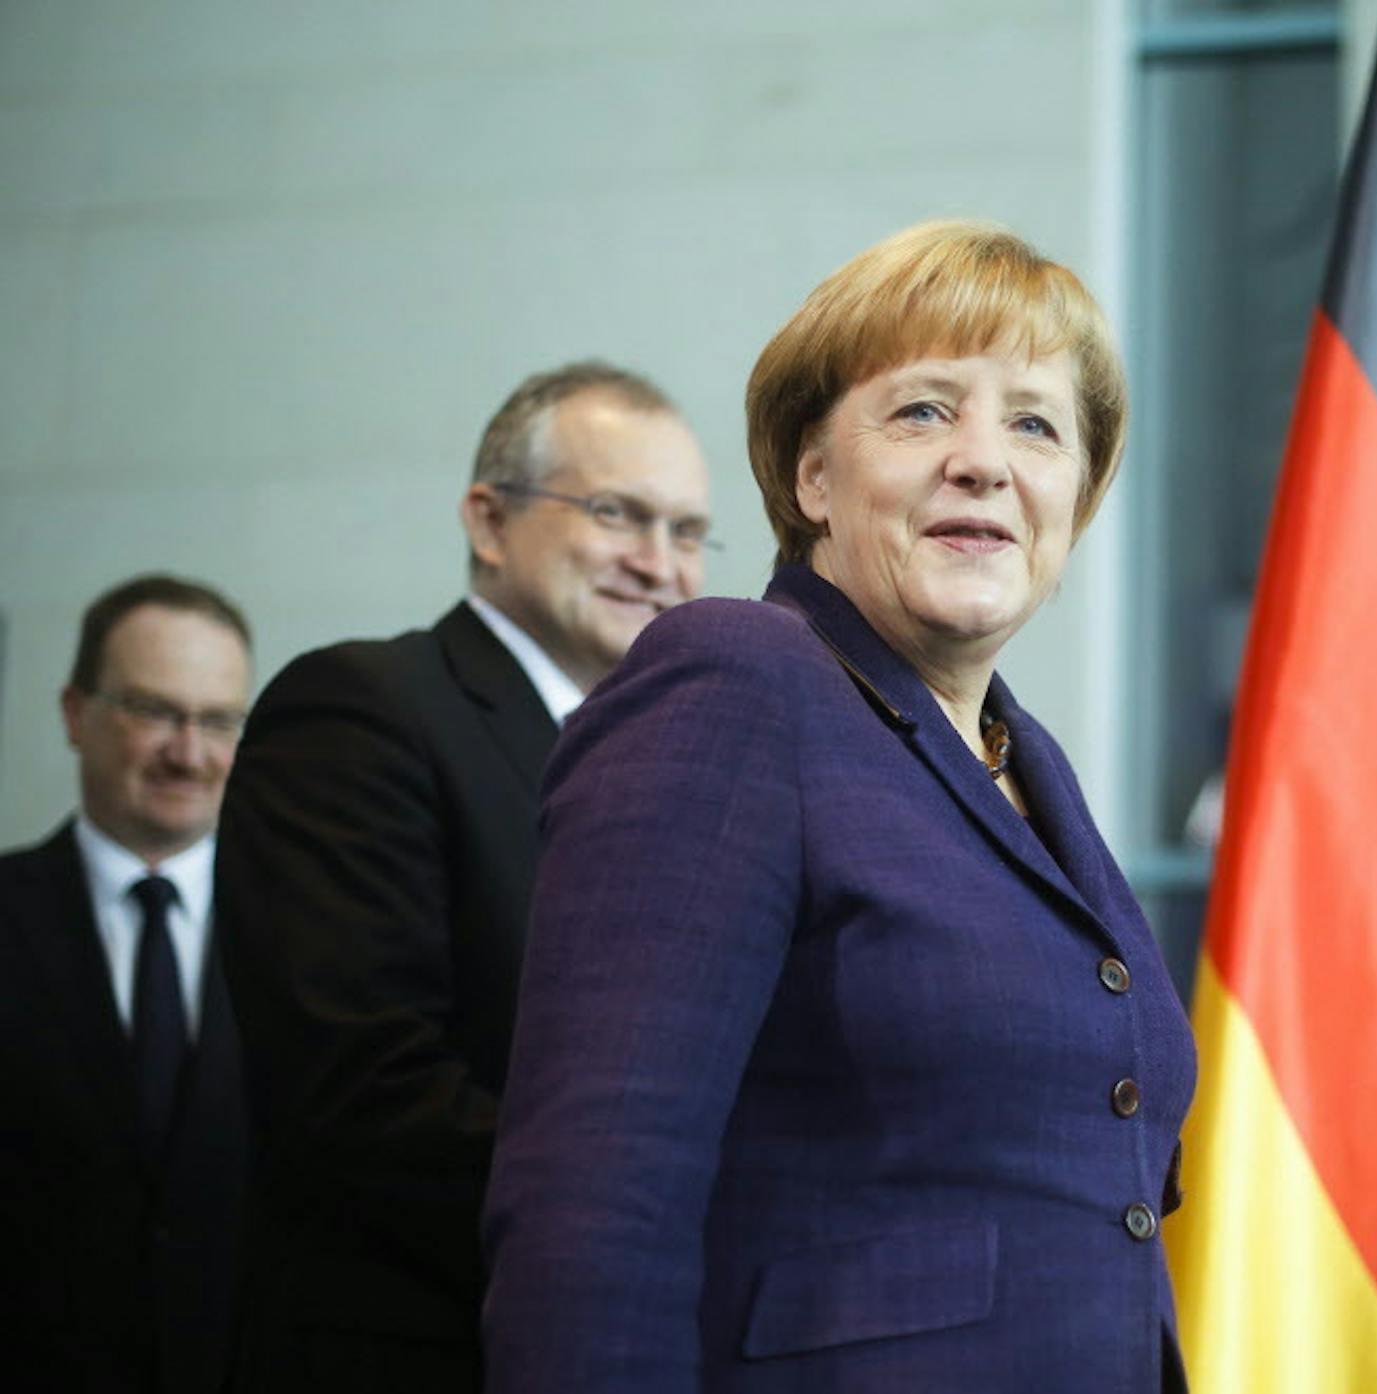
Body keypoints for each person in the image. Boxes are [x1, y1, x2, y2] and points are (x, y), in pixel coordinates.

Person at [481, 221, 1196, 1392]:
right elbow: (595, 1205)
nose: (983, 460)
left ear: (1076, 495)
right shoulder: (737, 679)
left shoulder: (1032, 764)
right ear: (812, 476)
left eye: (1035, 423)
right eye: (923, 411)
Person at [214, 361, 713, 1392]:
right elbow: (361, 1085)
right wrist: (664, 1201)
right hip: (422, 1346)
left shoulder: (674, 765)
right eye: (618, 512)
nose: (660, 561)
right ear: (489, 521)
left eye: (690, 530)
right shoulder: (360, 709)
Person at [0, 574, 254, 1393]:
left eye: (218, 720)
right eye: (153, 711)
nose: (189, 752)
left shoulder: (307, 935)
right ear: (76, 714)